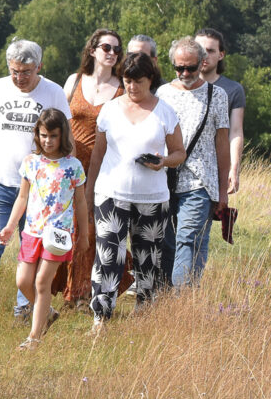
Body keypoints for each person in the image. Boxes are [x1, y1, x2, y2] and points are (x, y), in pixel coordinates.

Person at [0, 40, 71, 323]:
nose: (19, 78)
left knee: (31, 250)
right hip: (0, 180)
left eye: (26, 71)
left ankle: (25, 310)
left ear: (39, 67)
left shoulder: (54, 92)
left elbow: (65, 138)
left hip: (40, 188)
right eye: (14, 71)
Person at [86, 51, 187, 333]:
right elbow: (97, 155)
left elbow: (180, 153)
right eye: (127, 81)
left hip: (152, 198)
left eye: (138, 81)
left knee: (148, 260)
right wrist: (88, 191)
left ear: (150, 80)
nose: (132, 87)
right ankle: (101, 318)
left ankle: (144, 315)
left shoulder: (165, 111)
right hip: (110, 193)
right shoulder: (109, 109)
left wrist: (162, 162)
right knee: (108, 256)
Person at [0, 109, 86, 350]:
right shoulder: (31, 162)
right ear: (37, 135)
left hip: (58, 234)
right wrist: (10, 226)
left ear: (62, 136)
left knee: (41, 283)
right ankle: (47, 312)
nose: (48, 141)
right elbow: (22, 198)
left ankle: (34, 338)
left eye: (53, 136)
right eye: (43, 135)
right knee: (23, 281)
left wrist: (84, 234)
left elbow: (81, 202)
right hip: (32, 231)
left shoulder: (73, 166)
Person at [156, 37, 229, 288]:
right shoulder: (163, 94)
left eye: (191, 67)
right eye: (179, 68)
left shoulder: (217, 95)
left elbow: (222, 144)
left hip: (200, 182)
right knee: (165, 242)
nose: (185, 73)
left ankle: (180, 302)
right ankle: (168, 295)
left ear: (203, 63)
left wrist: (222, 192)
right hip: (163, 179)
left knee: (188, 239)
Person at [60, 28, 123, 308]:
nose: (112, 53)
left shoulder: (122, 87)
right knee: (69, 228)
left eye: (117, 50)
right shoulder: (74, 81)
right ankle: (70, 291)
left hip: (106, 167)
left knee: (94, 230)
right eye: (107, 47)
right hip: (70, 166)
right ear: (93, 49)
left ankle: (86, 294)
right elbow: (60, 122)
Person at [195, 29, 246, 195]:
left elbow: (236, 131)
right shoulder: (176, 88)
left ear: (221, 55)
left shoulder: (233, 90)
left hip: (214, 169)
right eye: (200, 49)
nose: (204, 55)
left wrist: (233, 168)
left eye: (210, 51)